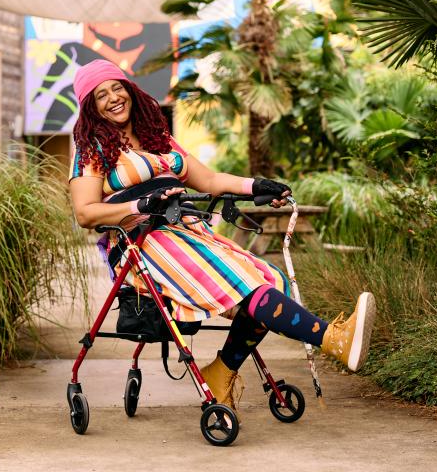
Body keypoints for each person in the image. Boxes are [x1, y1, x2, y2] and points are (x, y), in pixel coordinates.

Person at [69, 59, 376, 419]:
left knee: (271, 280)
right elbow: (85, 213)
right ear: (91, 107)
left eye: (116, 87)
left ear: (129, 89)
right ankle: (331, 339)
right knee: (248, 287)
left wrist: (256, 186)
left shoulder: (159, 138)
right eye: (100, 95)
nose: (113, 98)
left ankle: (221, 371)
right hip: (142, 242)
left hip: (187, 230)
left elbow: (211, 181)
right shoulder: (93, 150)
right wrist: (141, 203)